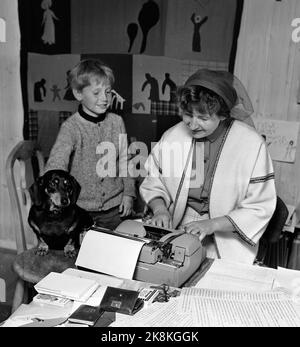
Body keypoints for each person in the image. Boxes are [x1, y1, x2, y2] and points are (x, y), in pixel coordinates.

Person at [140, 69, 276, 264]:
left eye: (203, 118)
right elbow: (154, 179)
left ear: (222, 115)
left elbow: (259, 206)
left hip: (227, 231)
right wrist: (160, 209)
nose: (193, 125)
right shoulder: (173, 136)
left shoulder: (251, 144)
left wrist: (211, 225)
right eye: (188, 115)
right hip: (178, 221)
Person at [45, 59, 136, 230]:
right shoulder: (71, 128)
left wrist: (129, 194)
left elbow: (126, 161)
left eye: (108, 92)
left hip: (115, 210)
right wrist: (59, 198)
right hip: (80, 211)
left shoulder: (117, 122)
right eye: (96, 93)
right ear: (79, 94)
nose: (104, 99)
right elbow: (56, 166)